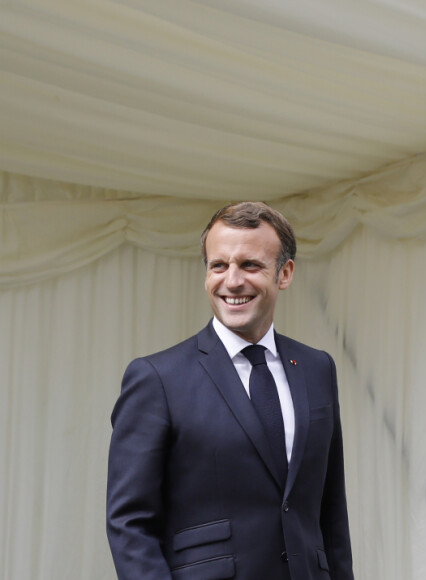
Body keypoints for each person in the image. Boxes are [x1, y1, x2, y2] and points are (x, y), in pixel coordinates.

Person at [107, 201, 354, 580]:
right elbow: (130, 524)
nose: (232, 280)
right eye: (218, 265)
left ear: (284, 273)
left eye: (250, 265)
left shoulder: (317, 368)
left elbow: (331, 512)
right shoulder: (156, 378)